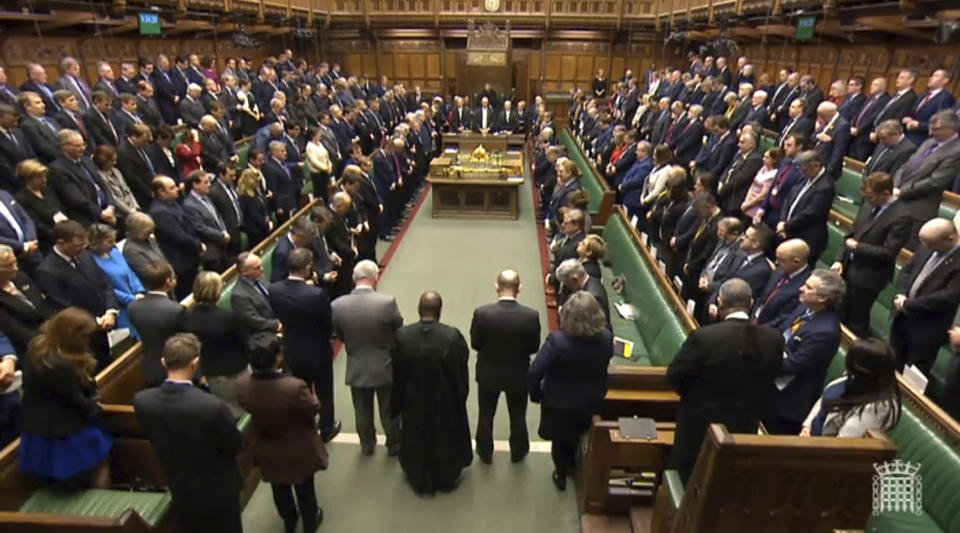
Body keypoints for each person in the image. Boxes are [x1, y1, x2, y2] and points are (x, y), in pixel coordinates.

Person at [668, 279, 783, 484]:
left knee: (688, 481)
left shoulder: (705, 337)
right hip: (744, 427)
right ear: (751, 303)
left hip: (698, 427)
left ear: (721, 303)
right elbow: (771, 377)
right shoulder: (774, 339)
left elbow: (675, 377)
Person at [134, 333, 243, 533]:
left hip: (180, 487)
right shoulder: (211, 406)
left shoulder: (142, 401)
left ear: (163, 362)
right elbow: (235, 445)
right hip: (219, 490)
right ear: (196, 363)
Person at [237, 333, 327, 533]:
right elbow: (313, 408)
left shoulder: (242, 386)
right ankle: (310, 524)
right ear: (277, 357)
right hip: (298, 446)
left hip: (267, 446)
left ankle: (289, 521)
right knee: (305, 489)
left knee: (279, 489)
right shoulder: (294, 386)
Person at [529, 291, 612, 491]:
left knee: (559, 440)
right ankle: (574, 467)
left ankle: (561, 474)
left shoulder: (557, 342)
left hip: (559, 403)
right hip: (590, 400)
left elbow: (535, 371)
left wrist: (536, 395)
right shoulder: (606, 339)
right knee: (577, 436)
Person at [391, 291, 472, 495]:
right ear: (439, 311)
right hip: (444, 401)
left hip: (413, 400)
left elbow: (397, 373)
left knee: (415, 436)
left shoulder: (403, 336)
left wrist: (397, 402)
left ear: (419, 310)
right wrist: (459, 396)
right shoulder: (452, 337)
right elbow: (460, 370)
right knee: (444, 437)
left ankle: (418, 473)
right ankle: (444, 475)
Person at [19, 308, 111, 487]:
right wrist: (98, 409)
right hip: (63, 433)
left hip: (36, 427)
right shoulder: (61, 365)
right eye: (85, 336)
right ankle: (97, 507)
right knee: (99, 464)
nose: (87, 341)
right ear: (72, 335)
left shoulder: (37, 345)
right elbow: (78, 401)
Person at [331, 260, 403, 456]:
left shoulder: (337, 305)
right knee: (389, 409)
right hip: (385, 364)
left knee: (362, 410)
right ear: (375, 278)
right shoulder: (387, 303)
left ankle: (367, 445)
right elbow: (399, 331)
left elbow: (338, 334)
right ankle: (394, 444)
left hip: (356, 364)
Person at [269, 247, 341, 442]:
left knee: (302, 391)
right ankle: (327, 428)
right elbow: (327, 326)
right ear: (308, 268)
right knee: (325, 392)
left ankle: (307, 425)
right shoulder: (316, 295)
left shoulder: (274, 290)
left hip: (292, 349)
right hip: (318, 351)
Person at [470, 269, 541, 464]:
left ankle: (485, 452)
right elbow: (534, 347)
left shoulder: (482, 313)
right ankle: (518, 452)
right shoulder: (531, 316)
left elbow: (476, 343)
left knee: (486, 415)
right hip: (518, 374)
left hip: (488, 373)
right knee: (518, 416)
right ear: (520, 288)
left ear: (496, 286)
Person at [764, 269, 845, 435]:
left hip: (787, 403)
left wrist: (759, 355)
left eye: (808, 287)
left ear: (822, 298)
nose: (801, 288)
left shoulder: (825, 332)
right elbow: (780, 330)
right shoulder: (804, 307)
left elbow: (793, 365)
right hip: (770, 384)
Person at [831, 172, 911, 337]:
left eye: (872, 197)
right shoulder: (869, 205)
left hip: (869, 276)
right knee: (838, 313)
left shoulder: (902, 216)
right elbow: (851, 234)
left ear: (886, 194)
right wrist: (839, 260)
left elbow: (888, 253)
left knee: (856, 321)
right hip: (848, 267)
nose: (869, 201)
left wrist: (858, 247)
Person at [34, 221, 118, 369]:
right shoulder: (47, 271)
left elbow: (105, 282)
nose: (82, 248)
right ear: (61, 243)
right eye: (78, 245)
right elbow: (63, 306)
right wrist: (95, 321)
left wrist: (111, 310)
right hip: (85, 335)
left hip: (109, 322)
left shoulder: (85, 255)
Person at [890, 218, 960, 375]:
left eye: (930, 243)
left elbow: (948, 296)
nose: (926, 247)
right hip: (902, 317)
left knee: (913, 373)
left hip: (927, 327)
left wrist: (908, 304)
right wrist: (900, 293)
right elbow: (907, 269)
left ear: (950, 238)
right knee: (893, 361)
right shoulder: (927, 244)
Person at [180, 271, 249, 417]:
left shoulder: (186, 317)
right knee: (243, 410)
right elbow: (244, 342)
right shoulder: (228, 317)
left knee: (227, 409)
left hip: (211, 373)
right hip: (235, 372)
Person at [801, 338, 901, 438]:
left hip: (822, 448)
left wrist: (810, 443)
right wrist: (807, 427)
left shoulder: (879, 407)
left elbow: (842, 442)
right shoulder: (856, 376)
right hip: (808, 437)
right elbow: (823, 400)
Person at [150, 176, 204, 300]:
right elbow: (179, 236)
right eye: (172, 188)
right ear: (161, 192)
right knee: (189, 296)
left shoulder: (172, 203)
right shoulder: (160, 212)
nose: (177, 189)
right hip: (181, 263)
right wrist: (198, 245)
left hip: (190, 256)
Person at [128, 262, 183, 387]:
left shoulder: (133, 307)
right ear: (168, 281)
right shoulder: (176, 310)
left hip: (150, 368)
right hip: (175, 368)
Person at [87, 223, 144, 339]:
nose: (113, 244)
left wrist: (139, 291)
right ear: (96, 242)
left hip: (138, 302)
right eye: (109, 241)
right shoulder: (92, 262)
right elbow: (108, 288)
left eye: (114, 240)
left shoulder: (115, 252)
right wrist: (131, 299)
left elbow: (130, 272)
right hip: (121, 310)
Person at [777, 150, 834, 265]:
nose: (802, 172)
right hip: (791, 230)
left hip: (808, 238)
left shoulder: (826, 186)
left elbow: (811, 214)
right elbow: (788, 198)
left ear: (816, 166)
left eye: (804, 169)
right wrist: (783, 220)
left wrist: (786, 226)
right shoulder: (805, 177)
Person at [752, 238, 811, 330]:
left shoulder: (805, 286)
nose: (776, 262)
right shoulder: (779, 271)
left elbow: (782, 319)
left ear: (796, 262)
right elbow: (761, 298)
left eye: (781, 259)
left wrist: (756, 331)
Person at [14, 159, 65, 254]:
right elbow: (36, 225)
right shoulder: (22, 198)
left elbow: (60, 208)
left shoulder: (48, 190)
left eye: (44, 176)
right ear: (29, 179)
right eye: (39, 177)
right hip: (47, 240)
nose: (44, 180)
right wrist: (58, 235)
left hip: (63, 230)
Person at [232, 252, 282, 334]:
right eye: (257, 267)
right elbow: (254, 321)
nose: (262, 269)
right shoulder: (239, 295)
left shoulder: (260, 277)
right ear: (244, 271)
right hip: (264, 333)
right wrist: (277, 324)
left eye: (261, 265)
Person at [121, 211, 168, 284]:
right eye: (148, 231)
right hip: (156, 284)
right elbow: (148, 273)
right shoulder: (131, 250)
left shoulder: (149, 239)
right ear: (137, 230)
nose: (151, 233)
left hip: (168, 279)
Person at [237, 168, 273, 247]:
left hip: (266, 227)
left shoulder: (257, 191)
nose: (258, 183)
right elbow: (254, 215)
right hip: (256, 233)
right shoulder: (245, 197)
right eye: (256, 181)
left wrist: (270, 220)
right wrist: (266, 225)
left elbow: (266, 206)